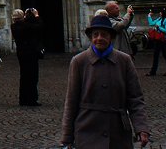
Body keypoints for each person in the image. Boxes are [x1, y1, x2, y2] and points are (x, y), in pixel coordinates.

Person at [60, 14, 151, 149]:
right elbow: (71, 101)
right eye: (95, 35)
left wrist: (141, 127)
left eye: (104, 34)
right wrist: (67, 137)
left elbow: (135, 98)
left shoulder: (124, 60)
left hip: (118, 132)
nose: (99, 38)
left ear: (111, 37)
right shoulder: (79, 61)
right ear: (91, 37)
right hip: (87, 130)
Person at [12, 8, 44, 106]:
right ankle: (32, 99)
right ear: (22, 17)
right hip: (30, 53)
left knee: (24, 76)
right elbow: (40, 27)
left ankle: (23, 99)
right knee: (33, 76)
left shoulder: (13, 26)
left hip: (21, 53)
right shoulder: (26, 26)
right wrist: (37, 15)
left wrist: (25, 16)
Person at [146, 7, 166, 77]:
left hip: (163, 40)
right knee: (156, 56)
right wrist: (149, 16)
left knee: (165, 56)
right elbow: (151, 23)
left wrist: (159, 27)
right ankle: (153, 71)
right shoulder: (159, 19)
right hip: (157, 40)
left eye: (161, 12)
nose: (159, 13)